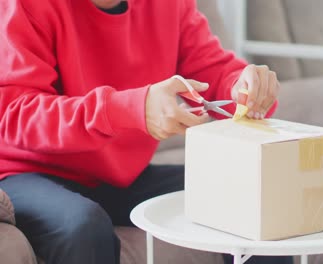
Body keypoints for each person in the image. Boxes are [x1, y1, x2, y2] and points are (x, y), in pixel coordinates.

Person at [0, 0, 290, 263]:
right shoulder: (26, 6)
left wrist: (243, 86)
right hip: (24, 173)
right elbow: (14, 113)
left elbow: (211, 71)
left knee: (248, 194)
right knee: (82, 225)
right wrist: (125, 109)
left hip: (117, 178)